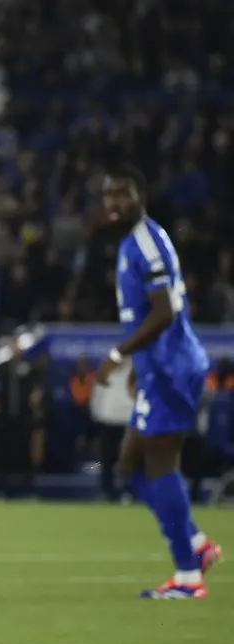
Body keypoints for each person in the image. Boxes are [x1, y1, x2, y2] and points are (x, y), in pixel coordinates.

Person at [95, 164, 222, 598]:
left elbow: (163, 312)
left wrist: (119, 356)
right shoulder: (132, 243)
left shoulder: (146, 243)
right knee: (128, 464)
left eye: (122, 193)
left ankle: (188, 575)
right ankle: (197, 544)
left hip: (172, 368)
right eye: (108, 195)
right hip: (158, 369)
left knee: (159, 464)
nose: (113, 202)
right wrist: (139, 368)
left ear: (140, 195)